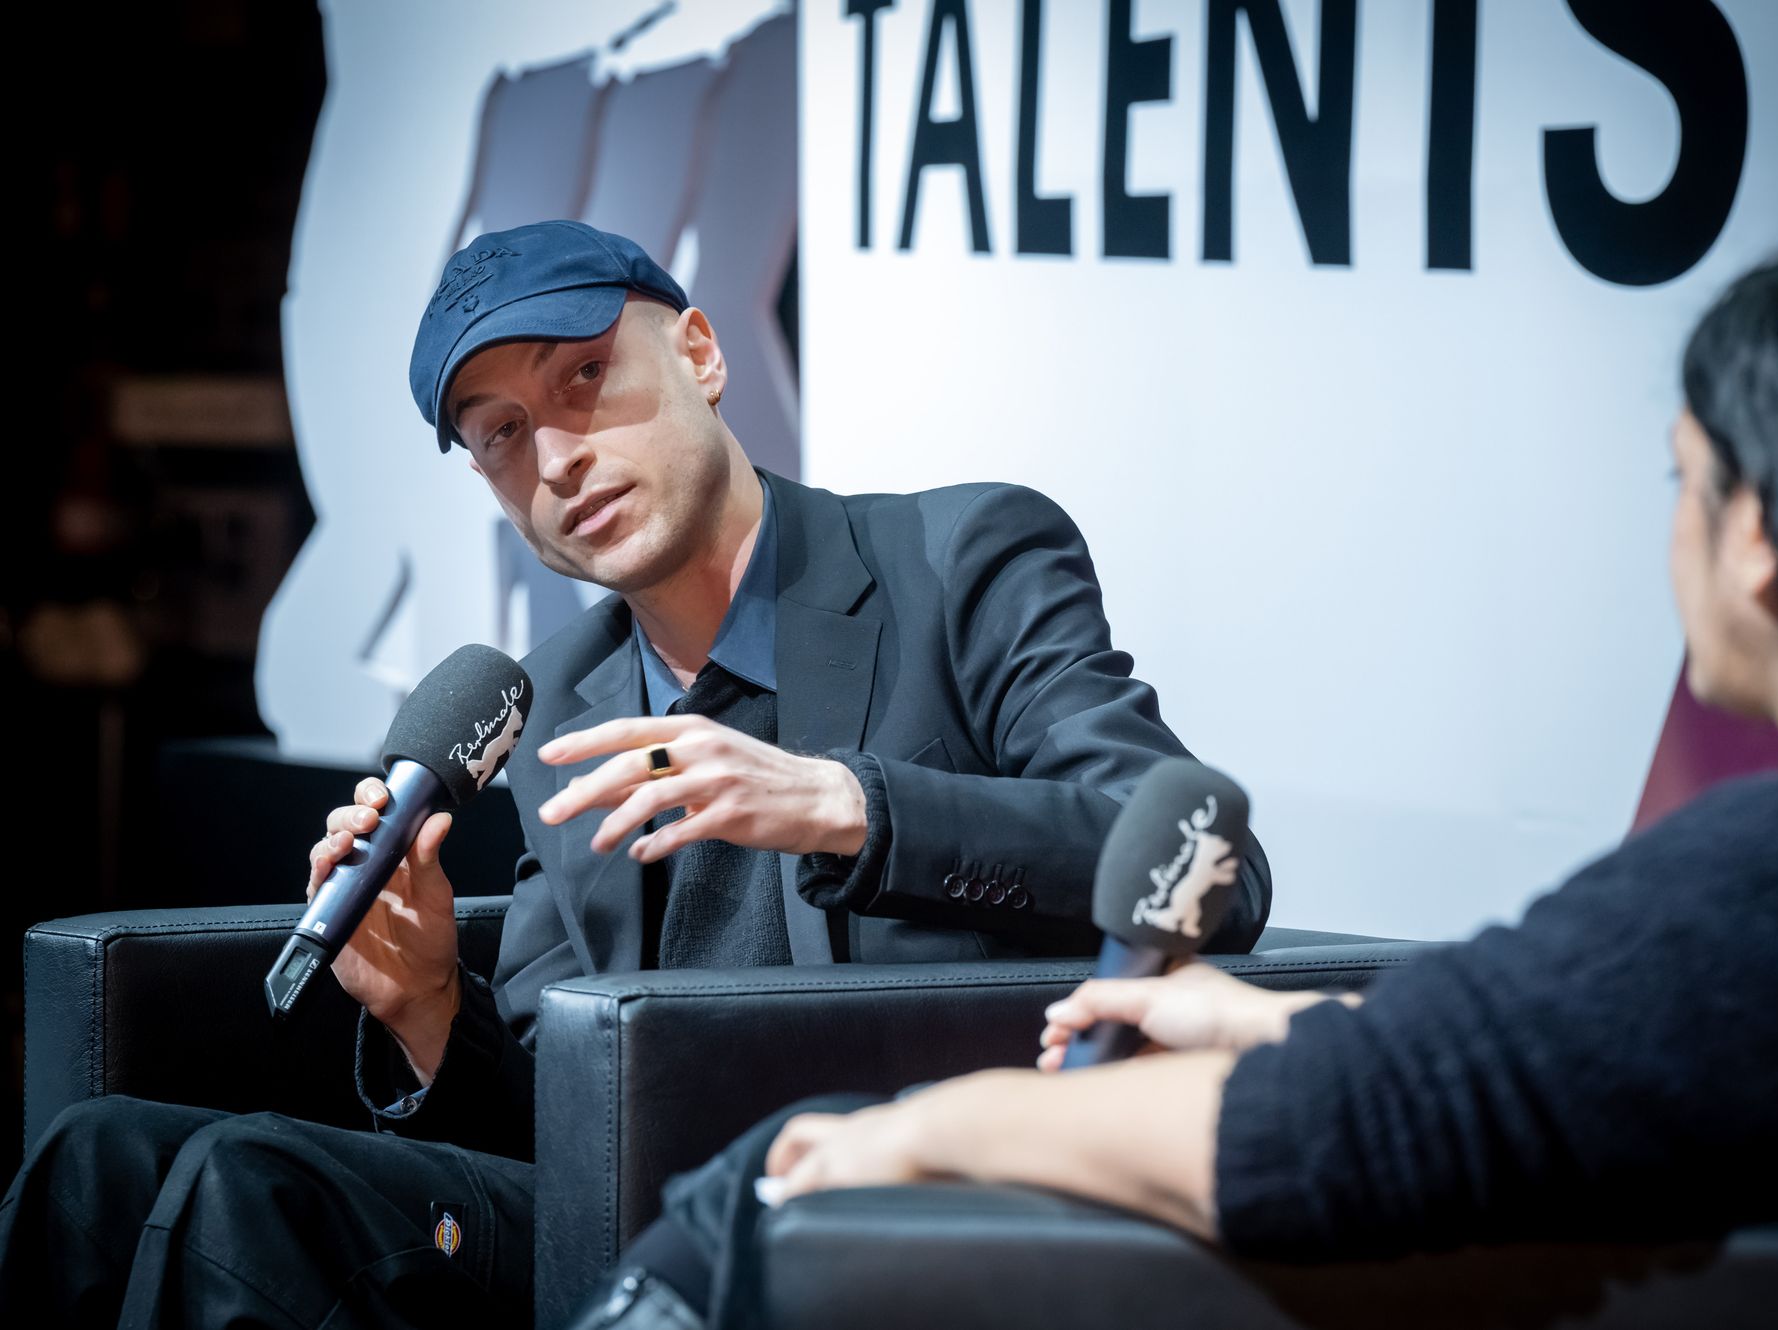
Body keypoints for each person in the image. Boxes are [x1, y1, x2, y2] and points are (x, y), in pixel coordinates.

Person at [594, 226, 1778, 1326]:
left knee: (788, 1165)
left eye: (1682, 480)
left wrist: (925, 1128)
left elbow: (1347, 1131)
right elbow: (1578, 1055)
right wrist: (1274, 1026)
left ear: (1756, 537)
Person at [0, 219, 1270, 1327]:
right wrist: (431, 1004)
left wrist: (844, 805)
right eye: (501, 434)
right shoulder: (555, 697)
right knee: (95, 1160)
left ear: (703, 355)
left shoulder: (963, 558)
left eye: (587, 379)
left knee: (247, 1192)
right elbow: (558, 1124)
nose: (555, 457)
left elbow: (1206, 869)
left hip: (864, 1186)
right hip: (629, 1210)